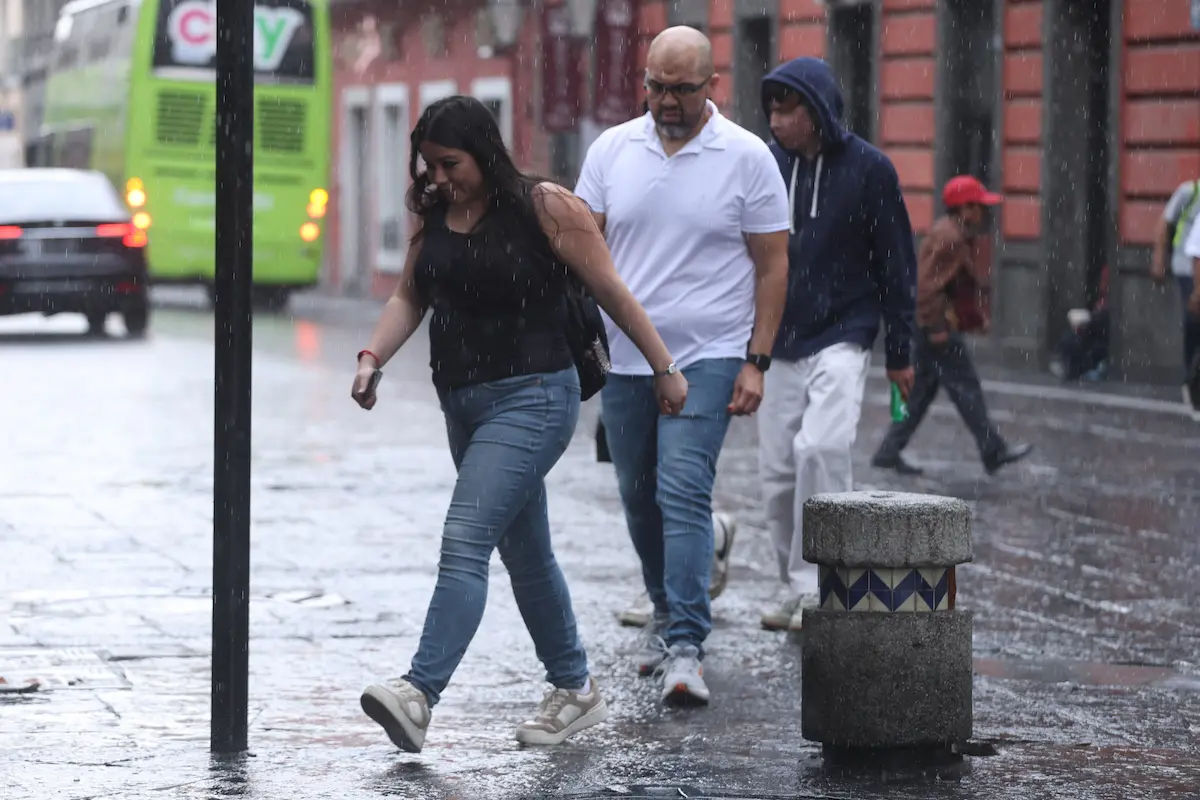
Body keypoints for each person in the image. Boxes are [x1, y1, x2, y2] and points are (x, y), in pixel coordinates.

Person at [351, 96, 688, 753]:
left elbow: (614, 290)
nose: (441, 176)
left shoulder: (546, 207)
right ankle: (575, 689)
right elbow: (408, 294)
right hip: (464, 405)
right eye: (431, 165)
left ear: (484, 150)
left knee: (466, 535)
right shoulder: (433, 212)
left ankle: (420, 692)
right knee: (526, 553)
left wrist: (664, 369)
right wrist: (372, 358)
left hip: (535, 396)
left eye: (451, 163)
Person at [573, 26, 790, 705]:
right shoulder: (611, 150)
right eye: (655, 86)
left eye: (681, 89)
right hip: (626, 358)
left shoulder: (748, 157)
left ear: (711, 86)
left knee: (682, 489)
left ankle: (688, 646)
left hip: (710, 352)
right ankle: (670, 618)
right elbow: (584, 247)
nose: (666, 101)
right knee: (639, 496)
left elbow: (773, 262)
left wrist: (757, 360)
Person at [755, 57, 916, 634]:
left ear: (817, 111)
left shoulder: (871, 170)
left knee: (821, 448)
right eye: (771, 107)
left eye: (787, 107)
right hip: (777, 337)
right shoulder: (765, 166)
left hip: (845, 332)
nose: (776, 118)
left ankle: (818, 585)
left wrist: (901, 351)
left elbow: (898, 264)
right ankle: (791, 583)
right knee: (775, 472)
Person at [871, 175, 1032, 476]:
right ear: (964, 208)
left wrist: (969, 317)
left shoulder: (951, 233)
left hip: (931, 325)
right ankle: (992, 450)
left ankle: (888, 451)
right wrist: (935, 328)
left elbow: (953, 285)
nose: (984, 213)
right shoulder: (951, 237)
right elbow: (928, 287)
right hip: (937, 327)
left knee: (920, 393)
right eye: (979, 206)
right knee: (965, 387)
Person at [1152, 178, 1200, 412]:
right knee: (1193, 321)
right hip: (1185, 266)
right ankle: (1190, 379)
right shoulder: (1190, 192)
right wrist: (1159, 258)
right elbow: (1165, 222)